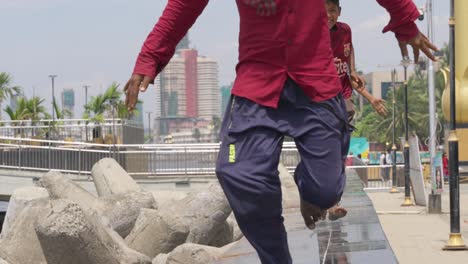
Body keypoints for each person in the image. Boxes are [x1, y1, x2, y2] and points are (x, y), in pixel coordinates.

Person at [124, 1, 437, 263]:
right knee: (238, 171)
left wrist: (405, 21)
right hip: (258, 85)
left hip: (315, 85)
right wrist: (150, 57)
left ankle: (308, 189)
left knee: (325, 191)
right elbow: (185, 4)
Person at [325, 0, 388, 221]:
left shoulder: (346, 32)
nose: (328, 15)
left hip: (344, 103)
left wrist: (371, 98)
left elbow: (352, 74)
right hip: (321, 103)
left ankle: (334, 202)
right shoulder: (312, 36)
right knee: (328, 154)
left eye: (332, 11)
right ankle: (328, 201)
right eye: (323, 11)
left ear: (339, 12)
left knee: (340, 155)